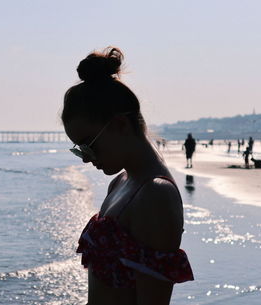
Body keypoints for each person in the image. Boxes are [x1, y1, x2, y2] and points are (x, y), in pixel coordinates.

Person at [61, 47, 193, 305]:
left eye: (89, 145)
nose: (86, 157)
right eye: (79, 150)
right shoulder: (119, 183)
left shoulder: (156, 194)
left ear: (120, 124)